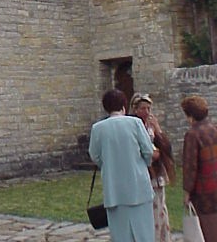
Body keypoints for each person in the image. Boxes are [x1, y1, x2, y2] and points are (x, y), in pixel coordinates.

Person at [89, 89, 155, 242]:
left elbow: (95, 156)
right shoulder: (135, 123)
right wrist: (142, 165)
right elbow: (148, 150)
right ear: (124, 105)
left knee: (121, 235)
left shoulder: (98, 128)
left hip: (114, 189)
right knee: (145, 233)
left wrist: (109, 165)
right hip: (139, 185)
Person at [130, 93, 174, 242]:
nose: (147, 112)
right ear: (135, 109)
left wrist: (158, 129)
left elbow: (166, 148)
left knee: (160, 209)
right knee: (148, 213)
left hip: (157, 174)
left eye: (148, 108)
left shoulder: (151, 126)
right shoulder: (132, 127)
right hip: (143, 174)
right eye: (143, 108)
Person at [181, 95, 217, 241]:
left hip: (204, 191)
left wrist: (187, 192)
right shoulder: (214, 129)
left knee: (209, 229)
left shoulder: (192, 135)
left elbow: (190, 166)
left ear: (190, 116)